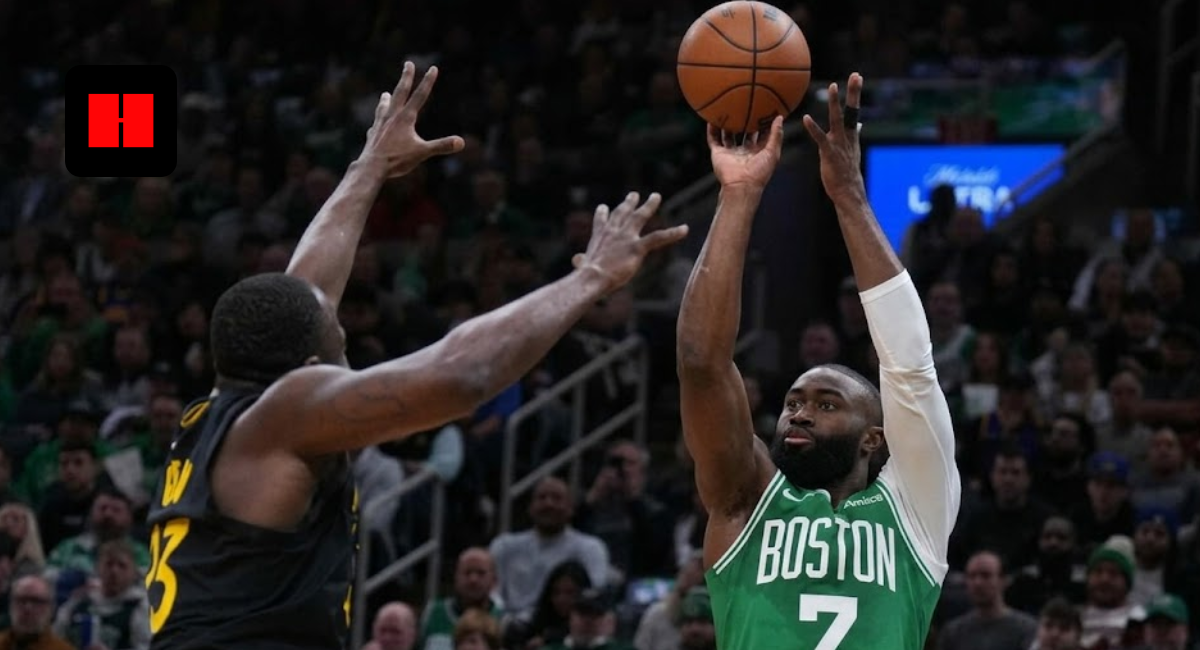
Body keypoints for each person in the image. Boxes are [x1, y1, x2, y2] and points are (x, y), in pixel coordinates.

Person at [143, 62, 687, 650]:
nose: (344, 351)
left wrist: (369, 165)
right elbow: (461, 376)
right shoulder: (285, 412)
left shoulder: (220, 415)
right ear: (305, 371)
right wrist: (591, 279)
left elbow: (308, 293)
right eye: (339, 348)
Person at [675, 73, 961, 650]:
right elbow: (702, 363)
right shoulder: (745, 498)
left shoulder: (915, 512)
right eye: (793, 402)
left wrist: (851, 199)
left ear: (873, 440)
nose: (798, 414)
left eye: (826, 405)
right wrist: (738, 196)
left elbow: (910, 364)